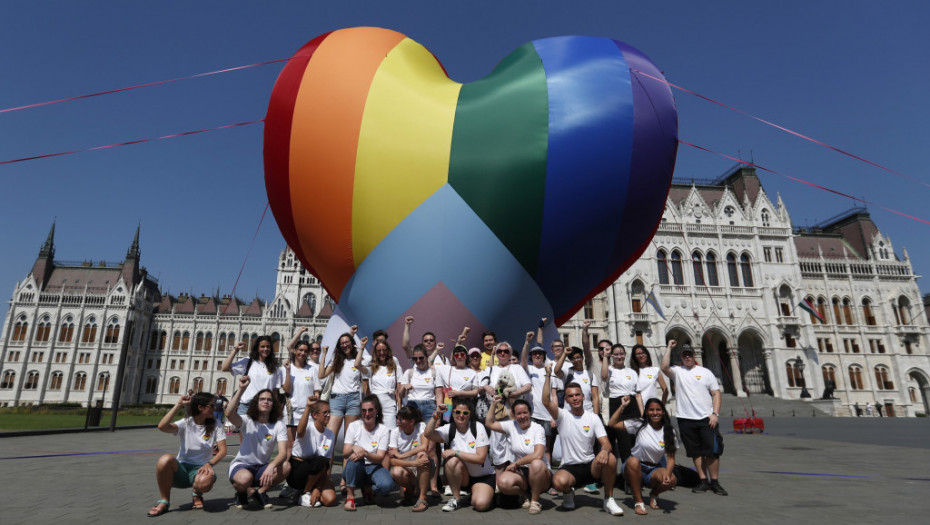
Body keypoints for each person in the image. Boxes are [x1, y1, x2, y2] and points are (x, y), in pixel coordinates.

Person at [542, 364, 624, 516]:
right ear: (566, 399)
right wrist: (548, 375)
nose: (575, 398)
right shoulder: (562, 416)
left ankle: (609, 499)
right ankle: (568, 493)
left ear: (583, 396)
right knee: (559, 482)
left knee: (611, 459)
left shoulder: (593, 418)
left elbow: (606, 443)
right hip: (569, 467)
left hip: (590, 466)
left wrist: (605, 451)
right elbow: (546, 401)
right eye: (571, 396)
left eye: (577, 395)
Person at [660, 341, 727, 496]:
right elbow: (663, 367)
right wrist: (669, 347)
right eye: (685, 355)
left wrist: (715, 414)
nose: (688, 357)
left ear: (694, 355)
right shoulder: (678, 371)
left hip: (706, 418)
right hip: (685, 419)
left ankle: (715, 482)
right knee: (695, 452)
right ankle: (703, 481)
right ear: (681, 357)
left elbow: (716, 393)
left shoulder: (706, 372)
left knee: (712, 451)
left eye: (690, 354)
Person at [147, 391, 227, 517]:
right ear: (200, 407)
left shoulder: (216, 423)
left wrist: (209, 464)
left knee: (205, 482)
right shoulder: (187, 422)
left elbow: (223, 451)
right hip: (183, 469)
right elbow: (162, 426)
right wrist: (178, 404)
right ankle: (164, 501)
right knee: (164, 459)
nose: (215, 408)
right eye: (211, 405)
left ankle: (197, 493)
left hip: (201, 468)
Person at [225, 377, 291, 509]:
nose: (266, 401)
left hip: (262, 467)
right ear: (256, 403)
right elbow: (229, 414)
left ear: (273, 404)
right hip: (242, 465)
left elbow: (283, 452)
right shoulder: (247, 420)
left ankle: (260, 492)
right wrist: (241, 389)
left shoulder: (278, 424)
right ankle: (241, 492)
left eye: (269, 399)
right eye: (262, 399)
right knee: (244, 479)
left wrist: (271, 466)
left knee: (286, 466)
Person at [608, 397, 677, 515]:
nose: (655, 413)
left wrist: (667, 474)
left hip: (653, 470)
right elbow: (612, 423)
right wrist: (623, 406)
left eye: (658, 410)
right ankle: (638, 501)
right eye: (651, 410)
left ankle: (654, 494)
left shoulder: (669, 431)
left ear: (663, 411)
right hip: (633, 467)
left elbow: (671, 458)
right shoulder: (639, 424)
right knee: (633, 461)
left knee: (672, 479)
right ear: (646, 412)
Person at [424, 398, 496, 512]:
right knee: (452, 461)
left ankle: (483, 494)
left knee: (480, 505)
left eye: (465, 413)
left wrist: (456, 452)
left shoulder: (477, 427)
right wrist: (436, 414)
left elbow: (480, 458)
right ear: (453, 413)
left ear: (470, 414)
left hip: (483, 477)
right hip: (464, 476)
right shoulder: (449, 428)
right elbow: (428, 434)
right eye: (458, 412)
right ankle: (456, 499)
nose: (461, 415)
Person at [319, 332, 369, 489]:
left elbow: (362, 370)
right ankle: (326, 478)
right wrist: (324, 354)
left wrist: (361, 347)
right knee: (329, 440)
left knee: (349, 442)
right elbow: (321, 375)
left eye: (347, 342)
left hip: (354, 400)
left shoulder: (358, 360)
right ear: (339, 346)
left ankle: (344, 480)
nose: (345, 345)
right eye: (342, 343)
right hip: (337, 399)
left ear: (352, 344)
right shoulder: (336, 361)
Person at [485, 396, 550, 515]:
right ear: (514, 415)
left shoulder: (538, 428)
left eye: (525, 412)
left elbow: (539, 454)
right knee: (503, 482)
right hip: (521, 472)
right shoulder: (511, 425)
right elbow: (489, 423)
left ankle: (535, 501)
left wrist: (516, 463)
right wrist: (494, 404)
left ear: (530, 413)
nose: (522, 416)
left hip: (541, 473)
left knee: (536, 463)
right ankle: (526, 495)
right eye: (518, 413)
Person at [342, 394, 394, 510]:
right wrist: (354, 448)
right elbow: (345, 452)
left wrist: (365, 453)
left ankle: (368, 488)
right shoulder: (353, 426)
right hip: (355, 467)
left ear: (377, 411)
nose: (367, 414)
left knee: (387, 486)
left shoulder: (383, 429)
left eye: (370, 410)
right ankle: (350, 497)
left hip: (374, 466)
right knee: (354, 459)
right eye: (364, 410)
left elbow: (380, 457)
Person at [285, 398, 337, 507]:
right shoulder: (307, 427)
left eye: (329, 412)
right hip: (297, 471)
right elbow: (299, 431)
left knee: (330, 499)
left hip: (315, 470)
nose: (328, 415)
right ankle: (304, 492)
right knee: (320, 461)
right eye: (325, 412)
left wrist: (318, 488)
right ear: (315, 415)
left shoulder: (330, 434)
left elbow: (325, 463)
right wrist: (308, 407)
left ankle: (310, 491)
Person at [222, 336, 284, 415]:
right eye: (262, 346)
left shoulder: (275, 368)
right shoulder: (248, 361)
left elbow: (274, 391)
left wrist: (275, 409)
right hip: (247, 407)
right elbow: (225, 368)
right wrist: (235, 350)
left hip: (265, 408)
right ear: (257, 348)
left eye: (268, 347)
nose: (265, 349)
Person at [388, 405, 433, 512]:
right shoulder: (395, 432)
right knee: (396, 471)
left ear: (411, 421)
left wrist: (401, 455)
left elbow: (424, 446)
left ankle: (422, 498)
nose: (397, 421)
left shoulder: (421, 426)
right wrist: (413, 463)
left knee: (423, 455)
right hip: (408, 468)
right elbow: (392, 460)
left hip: (425, 468)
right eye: (397, 418)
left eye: (401, 419)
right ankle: (409, 490)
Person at [601, 343, 642, 464]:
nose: (619, 357)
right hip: (616, 405)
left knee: (632, 442)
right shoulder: (608, 369)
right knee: (622, 441)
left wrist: (642, 413)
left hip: (632, 406)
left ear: (625, 355)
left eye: (622, 354)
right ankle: (623, 473)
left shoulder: (632, 372)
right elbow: (603, 377)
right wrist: (605, 356)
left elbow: (638, 395)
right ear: (612, 356)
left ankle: (633, 474)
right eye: (616, 354)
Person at [367, 340, 403, 428]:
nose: (382, 353)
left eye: (384, 350)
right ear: (375, 353)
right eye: (379, 351)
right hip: (375, 404)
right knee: (375, 433)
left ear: (388, 351)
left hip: (390, 404)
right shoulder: (371, 367)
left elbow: (399, 391)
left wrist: (400, 410)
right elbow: (367, 389)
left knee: (390, 432)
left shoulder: (396, 367)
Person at [401, 344, 440, 424]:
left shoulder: (434, 372)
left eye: (421, 358)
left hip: (430, 406)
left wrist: (438, 418)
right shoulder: (409, 372)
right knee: (411, 435)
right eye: (415, 358)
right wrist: (404, 387)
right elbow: (400, 395)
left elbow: (439, 396)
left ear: (427, 357)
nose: (418, 361)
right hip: (412, 406)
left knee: (430, 434)